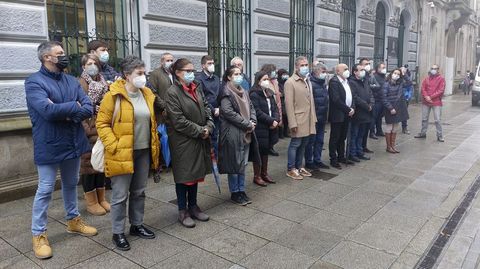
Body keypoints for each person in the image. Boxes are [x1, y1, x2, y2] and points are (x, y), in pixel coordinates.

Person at [26, 41, 97, 259]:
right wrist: (72, 107)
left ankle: (73, 220)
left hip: (73, 141)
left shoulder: (70, 80)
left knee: (70, 183)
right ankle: (38, 234)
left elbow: (87, 106)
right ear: (47, 57)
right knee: (46, 189)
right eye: (60, 53)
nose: (64, 56)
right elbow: (46, 111)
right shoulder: (34, 82)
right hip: (49, 142)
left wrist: (67, 111)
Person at [96, 55, 159, 250]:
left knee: (139, 191)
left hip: (143, 150)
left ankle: (137, 225)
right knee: (120, 195)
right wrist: (113, 145)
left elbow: (152, 121)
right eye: (139, 73)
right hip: (121, 152)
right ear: (127, 75)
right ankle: (118, 232)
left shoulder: (147, 93)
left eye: (144, 72)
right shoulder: (113, 95)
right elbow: (102, 123)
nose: (144, 77)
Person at [166, 58, 213, 228]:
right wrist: (201, 131)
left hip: (199, 138)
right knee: (184, 176)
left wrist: (208, 126)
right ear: (178, 73)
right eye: (188, 70)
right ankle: (182, 210)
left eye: (193, 70)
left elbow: (207, 108)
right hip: (183, 142)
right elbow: (178, 121)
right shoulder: (172, 92)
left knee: (195, 174)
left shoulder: (196, 87)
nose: (191, 74)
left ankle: (193, 206)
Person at [218, 66, 258, 205]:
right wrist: (247, 124)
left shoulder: (244, 91)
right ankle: (235, 192)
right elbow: (228, 113)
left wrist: (252, 121)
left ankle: (242, 190)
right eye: (236, 74)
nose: (239, 76)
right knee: (234, 164)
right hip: (233, 134)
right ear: (229, 77)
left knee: (243, 163)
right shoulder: (226, 92)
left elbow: (251, 108)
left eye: (240, 73)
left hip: (246, 132)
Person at [78, 53, 110, 216]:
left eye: (95, 63)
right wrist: (87, 129)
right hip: (87, 129)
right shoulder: (81, 83)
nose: (93, 66)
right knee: (89, 167)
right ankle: (91, 202)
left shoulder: (103, 81)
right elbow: (78, 108)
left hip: (102, 126)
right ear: (83, 66)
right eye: (89, 63)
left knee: (100, 165)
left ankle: (101, 198)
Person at [284, 56, 317, 180]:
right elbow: (289, 104)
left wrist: (313, 118)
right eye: (302, 65)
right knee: (295, 143)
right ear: (296, 67)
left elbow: (311, 101)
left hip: (308, 119)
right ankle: (291, 168)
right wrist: (292, 123)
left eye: (306, 65)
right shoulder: (290, 82)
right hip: (298, 119)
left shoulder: (307, 80)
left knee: (304, 144)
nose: (304, 67)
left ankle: (299, 166)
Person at [250, 71, 280, 186]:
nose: (267, 81)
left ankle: (264, 173)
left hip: (270, 127)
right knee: (258, 152)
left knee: (266, 151)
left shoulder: (269, 92)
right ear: (258, 81)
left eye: (268, 79)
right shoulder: (254, 94)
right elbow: (257, 112)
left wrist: (276, 120)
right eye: (264, 79)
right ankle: (257, 176)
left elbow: (275, 108)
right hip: (261, 127)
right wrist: (271, 120)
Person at [328, 63, 355, 169]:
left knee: (343, 137)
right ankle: (333, 159)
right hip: (338, 114)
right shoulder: (334, 82)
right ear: (338, 71)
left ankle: (341, 156)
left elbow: (351, 96)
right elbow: (336, 99)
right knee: (335, 137)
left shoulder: (347, 81)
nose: (347, 70)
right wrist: (348, 109)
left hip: (347, 114)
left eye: (347, 68)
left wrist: (352, 108)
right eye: (344, 69)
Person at [304, 62, 330, 170]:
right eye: (323, 72)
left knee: (320, 141)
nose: (325, 74)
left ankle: (317, 160)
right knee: (311, 141)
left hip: (322, 117)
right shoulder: (311, 83)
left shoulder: (322, 83)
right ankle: (309, 161)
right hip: (314, 118)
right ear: (317, 72)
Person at [196, 55, 221, 156]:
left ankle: (217, 159)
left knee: (217, 136)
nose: (212, 65)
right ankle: (210, 160)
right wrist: (213, 110)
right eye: (209, 64)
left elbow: (220, 94)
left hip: (218, 111)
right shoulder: (199, 79)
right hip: (207, 112)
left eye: (213, 63)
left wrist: (219, 108)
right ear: (203, 66)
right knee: (209, 136)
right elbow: (202, 97)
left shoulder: (216, 78)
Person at [348, 64, 374, 161]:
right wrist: (367, 106)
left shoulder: (365, 81)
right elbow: (355, 97)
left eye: (364, 69)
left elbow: (370, 94)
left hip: (366, 113)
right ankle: (352, 153)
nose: (363, 71)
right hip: (358, 112)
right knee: (354, 134)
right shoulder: (352, 82)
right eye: (361, 70)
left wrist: (371, 103)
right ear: (355, 72)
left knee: (361, 135)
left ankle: (360, 152)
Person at [414, 64, 445, 142]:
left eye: (435, 68)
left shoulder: (441, 79)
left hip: (436, 102)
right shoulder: (426, 78)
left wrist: (430, 97)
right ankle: (423, 133)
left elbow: (441, 90)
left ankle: (440, 135)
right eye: (432, 68)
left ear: (438, 70)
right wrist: (426, 97)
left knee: (437, 120)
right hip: (426, 102)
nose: (433, 70)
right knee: (424, 119)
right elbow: (423, 88)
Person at [383, 68, 409, 153]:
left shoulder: (400, 83)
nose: (396, 75)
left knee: (395, 127)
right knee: (389, 127)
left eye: (398, 74)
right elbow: (384, 98)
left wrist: (404, 74)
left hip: (398, 108)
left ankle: (392, 146)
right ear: (391, 73)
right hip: (390, 108)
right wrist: (390, 108)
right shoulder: (386, 84)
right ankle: (388, 147)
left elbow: (409, 83)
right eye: (395, 73)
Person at [260, 64, 282, 156]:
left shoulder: (275, 82)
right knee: (269, 130)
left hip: (276, 107)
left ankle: (271, 146)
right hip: (267, 109)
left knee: (274, 130)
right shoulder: (265, 82)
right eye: (274, 71)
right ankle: (269, 147)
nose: (275, 73)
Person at [148, 52, 175, 123]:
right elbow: (152, 92)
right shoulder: (155, 74)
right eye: (168, 60)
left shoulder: (174, 73)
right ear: (162, 62)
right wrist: (163, 105)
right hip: (161, 113)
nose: (170, 62)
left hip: (174, 110)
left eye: (171, 61)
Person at [358, 58, 374, 153]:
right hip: (362, 108)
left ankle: (364, 146)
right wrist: (366, 105)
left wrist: (371, 103)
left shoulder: (368, 76)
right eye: (365, 64)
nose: (368, 65)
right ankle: (359, 148)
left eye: (369, 63)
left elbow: (370, 92)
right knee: (359, 132)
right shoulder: (359, 77)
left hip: (369, 107)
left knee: (366, 129)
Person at [370, 62, 388, 138]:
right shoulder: (374, 77)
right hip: (376, 100)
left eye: (385, 67)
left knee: (380, 117)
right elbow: (372, 88)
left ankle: (379, 130)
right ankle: (372, 132)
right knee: (374, 117)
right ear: (378, 69)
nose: (384, 69)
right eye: (382, 67)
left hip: (382, 100)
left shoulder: (385, 77)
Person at [401, 66, 413, 134]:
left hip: (405, 98)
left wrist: (404, 74)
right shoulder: (397, 78)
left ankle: (404, 127)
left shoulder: (406, 78)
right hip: (396, 98)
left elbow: (409, 83)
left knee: (404, 113)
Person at [277, 68, 290, 138]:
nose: (285, 76)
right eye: (283, 74)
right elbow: (279, 94)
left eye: (286, 74)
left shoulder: (287, 82)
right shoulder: (277, 83)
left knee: (286, 119)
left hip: (286, 102)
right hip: (281, 103)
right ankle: (280, 133)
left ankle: (286, 132)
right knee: (281, 118)